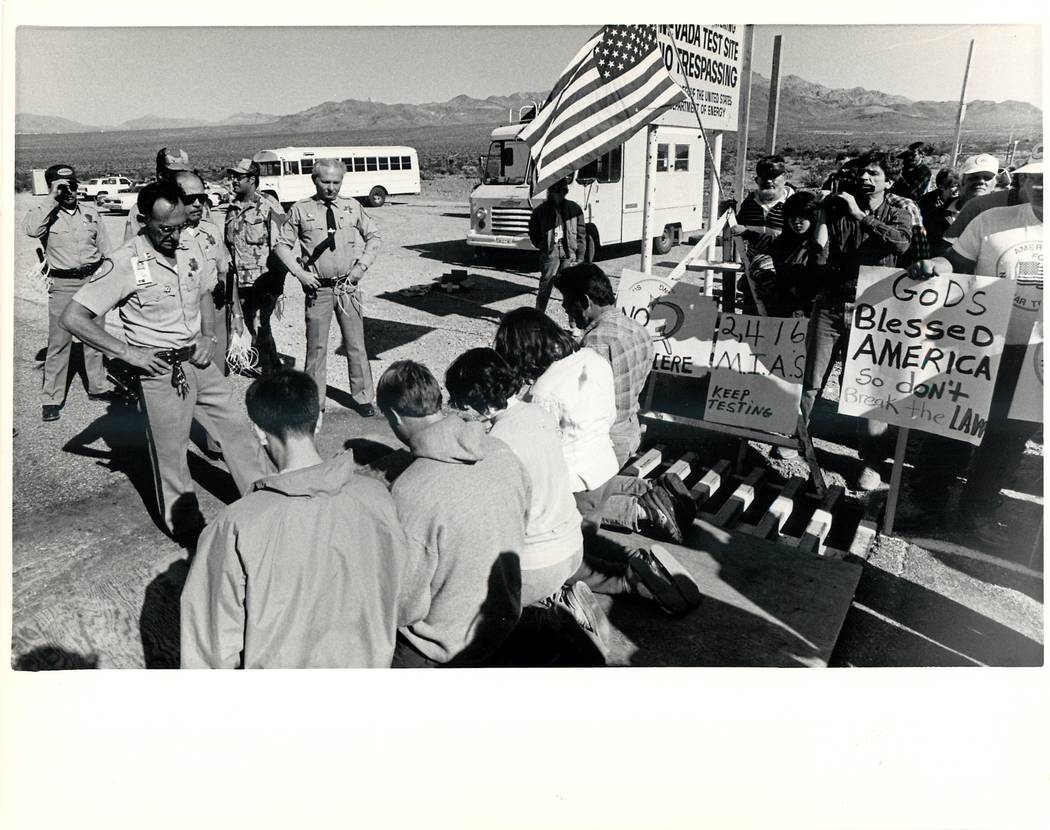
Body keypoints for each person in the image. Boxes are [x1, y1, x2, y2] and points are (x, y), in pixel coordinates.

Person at [60, 182, 269, 544]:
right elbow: (74, 317)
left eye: (179, 226)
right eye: (165, 229)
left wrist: (208, 335)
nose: (174, 236)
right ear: (143, 220)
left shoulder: (190, 244)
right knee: (172, 455)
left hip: (199, 362)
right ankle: (187, 529)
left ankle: (266, 502)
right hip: (161, 371)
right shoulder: (124, 262)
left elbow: (204, 289)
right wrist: (128, 353)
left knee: (238, 430)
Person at [180, 370, 427, 669]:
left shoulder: (234, 525)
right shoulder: (377, 497)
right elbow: (409, 604)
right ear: (319, 422)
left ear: (258, 432)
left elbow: (209, 652)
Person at [494, 308, 701, 616]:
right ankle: (637, 558)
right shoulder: (591, 359)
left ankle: (629, 582)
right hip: (603, 465)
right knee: (586, 539)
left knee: (561, 557)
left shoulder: (543, 393)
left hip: (574, 483)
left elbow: (537, 448)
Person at [904, 162, 1043, 545]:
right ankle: (927, 503)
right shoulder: (993, 219)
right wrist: (938, 265)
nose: (1042, 187)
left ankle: (977, 510)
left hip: (1037, 356)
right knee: (952, 424)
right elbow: (957, 262)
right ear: (1024, 181)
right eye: (1036, 179)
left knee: (1008, 438)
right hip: (979, 344)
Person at [444, 349, 611, 659]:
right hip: (572, 545)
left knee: (472, 618)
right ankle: (557, 600)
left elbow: (486, 518)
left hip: (539, 564)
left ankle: (560, 626)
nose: (459, 408)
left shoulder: (498, 442)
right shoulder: (538, 413)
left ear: (475, 400)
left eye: (461, 402)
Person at [376, 360, 528, 667]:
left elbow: (404, 607)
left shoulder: (409, 491)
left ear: (394, 416)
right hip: (502, 619)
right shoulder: (500, 450)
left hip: (442, 646)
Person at [803, 149, 913, 491]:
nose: (865, 178)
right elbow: (819, 250)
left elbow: (901, 242)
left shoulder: (899, 210)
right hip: (834, 302)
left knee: (870, 388)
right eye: (862, 173)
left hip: (877, 309)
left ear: (889, 181)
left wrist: (860, 216)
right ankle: (796, 439)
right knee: (812, 377)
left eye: (874, 174)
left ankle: (871, 462)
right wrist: (824, 214)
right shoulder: (839, 207)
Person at [275, 158, 380, 419]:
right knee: (316, 347)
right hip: (318, 289)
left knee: (356, 344)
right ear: (315, 180)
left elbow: (374, 237)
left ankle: (363, 397)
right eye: (326, 182)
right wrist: (299, 274)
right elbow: (280, 245)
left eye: (336, 182)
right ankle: (314, 401)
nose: (331, 187)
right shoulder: (301, 209)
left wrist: (360, 268)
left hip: (347, 287)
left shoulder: (351, 206)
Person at [22, 163, 114, 421]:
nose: (69, 191)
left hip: (93, 280)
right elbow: (31, 230)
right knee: (60, 341)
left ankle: (98, 386)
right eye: (62, 186)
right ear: (52, 187)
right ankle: (52, 398)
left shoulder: (91, 212)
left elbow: (106, 250)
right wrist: (52, 197)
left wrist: (109, 282)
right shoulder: (45, 214)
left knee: (95, 336)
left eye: (72, 185)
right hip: (62, 285)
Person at [555, 263, 654, 466]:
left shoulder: (596, 342)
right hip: (630, 428)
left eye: (567, 302)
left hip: (605, 441)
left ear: (585, 301)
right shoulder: (638, 329)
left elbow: (583, 405)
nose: (565, 308)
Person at [223, 158, 286, 377]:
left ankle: (271, 370)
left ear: (252, 179)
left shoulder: (269, 206)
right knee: (250, 322)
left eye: (238, 177)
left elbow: (282, 246)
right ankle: (268, 363)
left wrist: (278, 283)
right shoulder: (232, 208)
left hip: (264, 279)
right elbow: (228, 246)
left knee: (260, 322)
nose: (233, 181)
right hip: (240, 280)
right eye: (232, 177)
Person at [174, 171, 230, 371]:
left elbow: (224, 270)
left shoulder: (211, 231)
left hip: (215, 311)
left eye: (202, 198)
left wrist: (234, 314)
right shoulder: (167, 238)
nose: (198, 203)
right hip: (184, 314)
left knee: (217, 372)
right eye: (190, 199)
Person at [729, 154, 794, 314]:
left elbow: (792, 240)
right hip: (754, 277)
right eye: (764, 177)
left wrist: (750, 234)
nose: (768, 181)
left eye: (773, 176)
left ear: (784, 177)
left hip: (786, 277)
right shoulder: (750, 202)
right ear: (757, 179)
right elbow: (737, 228)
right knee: (752, 323)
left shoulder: (795, 204)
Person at [943, 150, 1040, 244]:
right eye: (974, 177)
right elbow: (949, 250)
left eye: (987, 177)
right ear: (1023, 178)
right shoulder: (978, 206)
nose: (981, 182)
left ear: (995, 181)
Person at [527, 177, 586, 314]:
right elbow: (533, 231)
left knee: (570, 287)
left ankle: (574, 323)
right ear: (550, 192)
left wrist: (580, 257)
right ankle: (539, 318)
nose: (560, 194)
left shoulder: (575, 209)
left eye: (563, 191)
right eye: (557, 191)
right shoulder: (540, 211)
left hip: (568, 251)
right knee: (545, 286)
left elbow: (581, 233)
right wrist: (541, 245)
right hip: (550, 251)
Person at [769, 190, 828, 316]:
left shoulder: (828, 243)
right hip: (788, 305)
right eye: (792, 217)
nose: (796, 222)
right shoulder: (780, 243)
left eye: (802, 217)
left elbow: (819, 250)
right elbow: (781, 277)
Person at [123, 147, 194, 242]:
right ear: (160, 175)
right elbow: (131, 247)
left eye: (185, 174)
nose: (180, 179)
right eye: (174, 174)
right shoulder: (146, 207)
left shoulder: (199, 204)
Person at [917, 167, 962, 255]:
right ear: (941, 187)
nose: (957, 189)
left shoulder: (961, 201)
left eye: (959, 185)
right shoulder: (926, 201)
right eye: (953, 186)